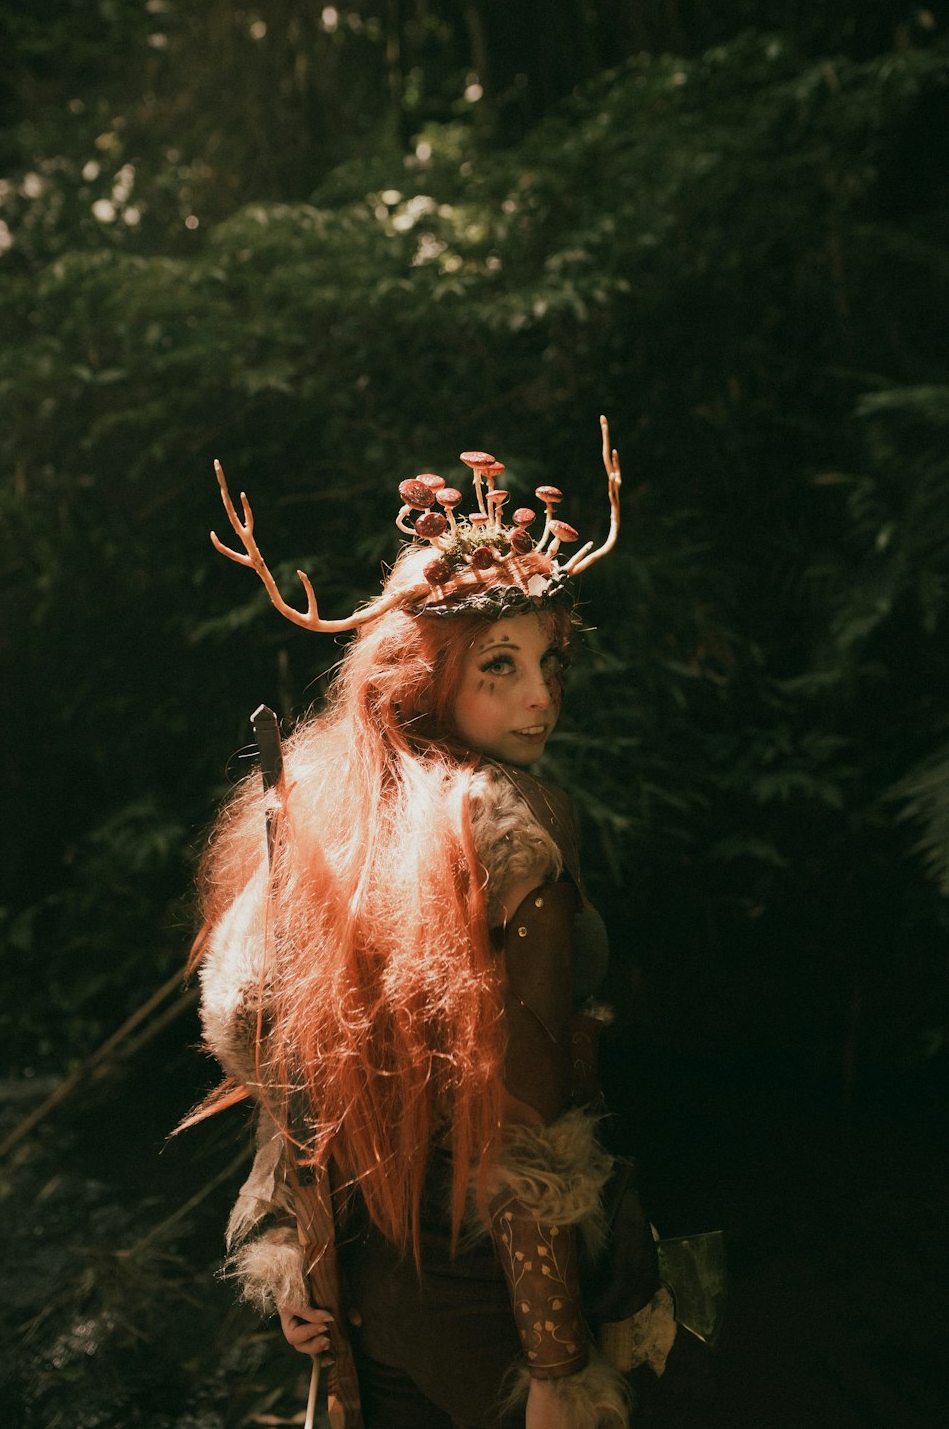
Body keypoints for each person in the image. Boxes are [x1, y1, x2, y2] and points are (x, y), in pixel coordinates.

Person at [189, 425, 675, 1429]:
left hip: (361, 1310)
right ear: (423, 673)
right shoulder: (510, 827)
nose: (540, 695)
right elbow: (528, 1130)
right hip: (484, 1318)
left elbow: (272, 1065)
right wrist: (556, 1367)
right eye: (498, 664)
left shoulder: (322, 805)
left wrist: (296, 1259)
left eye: (549, 659)